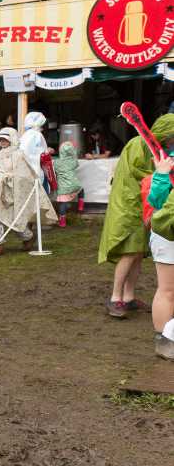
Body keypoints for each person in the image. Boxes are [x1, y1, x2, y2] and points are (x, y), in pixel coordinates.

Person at [98, 115, 169, 318]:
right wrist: (164, 173)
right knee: (129, 252)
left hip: (142, 204)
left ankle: (128, 298)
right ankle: (115, 298)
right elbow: (141, 172)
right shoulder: (138, 143)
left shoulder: (156, 147)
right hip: (129, 204)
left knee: (138, 252)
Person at [0, 127, 56, 256]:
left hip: (14, 192)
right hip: (0, 191)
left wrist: (6, 176)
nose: (3, 142)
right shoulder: (0, 154)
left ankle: (28, 237)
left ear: (12, 139)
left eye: (5, 139)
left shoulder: (19, 154)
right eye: (1, 139)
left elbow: (23, 175)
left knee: (14, 218)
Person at [142, 117, 174, 358]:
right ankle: (164, 341)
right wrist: (162, 175)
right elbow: (154, 207)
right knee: (167, 290)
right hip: (166, 237)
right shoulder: (156, 174)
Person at [53, 141, 83, 227]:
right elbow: (76, 162)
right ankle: (81, 207)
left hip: (63, 187)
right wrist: (74, 153)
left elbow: (52, 167)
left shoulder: (57, 163)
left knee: (63, 203)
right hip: (75, 185)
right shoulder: (73, 162)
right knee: (81, 189)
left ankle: (62, 222)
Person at [19, 112, 51, 190]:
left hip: (25, 173)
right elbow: (43, 153)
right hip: (37, 172)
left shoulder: (24, 135)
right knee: (40, 198)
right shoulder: (37, 135)